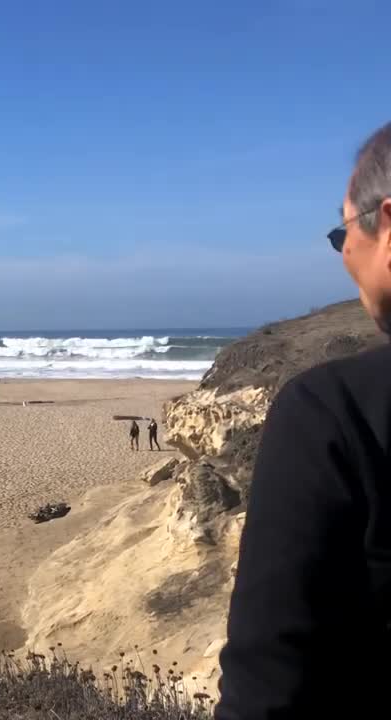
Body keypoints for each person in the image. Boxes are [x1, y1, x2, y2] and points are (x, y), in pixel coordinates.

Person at [216, 122, 391, 718]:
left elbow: (269, 683)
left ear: (387, 224)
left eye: (343, 229)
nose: (343, 249)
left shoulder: (336, 413)